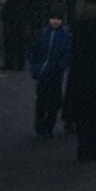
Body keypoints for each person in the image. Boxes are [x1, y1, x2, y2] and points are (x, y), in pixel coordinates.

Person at [62, 0, 96, 162]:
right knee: (93, 111)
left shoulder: (79, 20)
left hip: (79, 71)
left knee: (82, 111)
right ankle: (91, 148)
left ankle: (83, 147)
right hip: (95, 71)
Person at [28, 9, 71, 138]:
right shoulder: (41, 34)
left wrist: (61, 65)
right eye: (53, 18)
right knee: (42, 99)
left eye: (58, 19)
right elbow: (33, 48)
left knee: (53, 100)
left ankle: (48, 126)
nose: (55, 21)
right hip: (43, 71)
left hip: (55, 72)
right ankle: (41, 125)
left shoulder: (65, 36)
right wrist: (34, 63)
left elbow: (68, 53)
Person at [1, 0, 29, 70]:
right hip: (20, 28)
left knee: (10, 47)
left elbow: (3, 15)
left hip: (10, 28)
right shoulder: (24, 4)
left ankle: (9, 64)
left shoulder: (9, 3)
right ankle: (20, 65)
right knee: (20, 48)